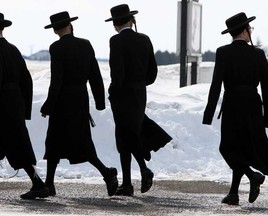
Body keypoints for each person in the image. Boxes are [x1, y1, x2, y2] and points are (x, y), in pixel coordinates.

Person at [202, 12, 268, 205]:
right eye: (250, 29)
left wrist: (209, 113)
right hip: (253, 106)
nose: (250, 32)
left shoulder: (223, 52)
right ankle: (235, 192)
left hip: (232, 106)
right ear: (245, 31)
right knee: (239, 148)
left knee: (229, 148)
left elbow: (216, 85)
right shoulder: (258, 54)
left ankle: (247, 180)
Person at [41, 11, 118, 197]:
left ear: (55, 31)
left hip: (62, 101)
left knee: (54, 141)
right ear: (70, 25)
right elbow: (95, 76)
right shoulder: (85, 45)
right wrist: (99, 101)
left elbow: (56, 80)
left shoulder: (56, 48)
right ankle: (50, 183)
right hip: (80, 99)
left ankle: (106, 173)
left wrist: (48, 105)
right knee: (81, 140)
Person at [105, 4, 172, 196]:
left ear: (115, 25)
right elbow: (153, 72)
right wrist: (140, 84)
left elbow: (116, 70)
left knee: (125, 136)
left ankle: (141, 172)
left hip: (122, 94)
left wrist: (115, 89)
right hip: (139, 93)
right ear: (131, 20)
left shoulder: (115, 41)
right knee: (128, 135)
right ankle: (127, 183)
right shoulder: (144, 39)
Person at [0, 13, 49, 199]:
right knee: (18, 147)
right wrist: (24, 109)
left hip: (2, 106)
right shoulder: (13, 49)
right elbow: (27, 80)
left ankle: (39, 184)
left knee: (16, 147)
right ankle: (38, 183)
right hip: (15, 105)